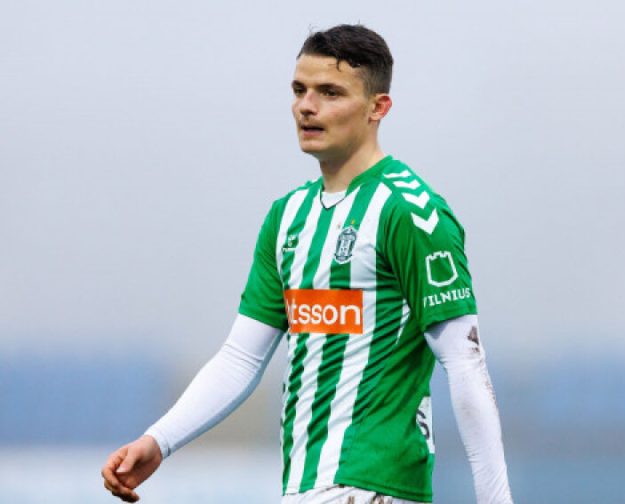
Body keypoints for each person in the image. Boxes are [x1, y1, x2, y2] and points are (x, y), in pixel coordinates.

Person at [101, 24, 513, 504]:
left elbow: (465, 363)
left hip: (373, 484)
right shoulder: (287, 216)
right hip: (305, 486)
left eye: (330, 93)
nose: (307, 106)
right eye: (300, 90)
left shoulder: (411, 212)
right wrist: (159, 441)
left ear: (378, 107)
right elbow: (241, 357)